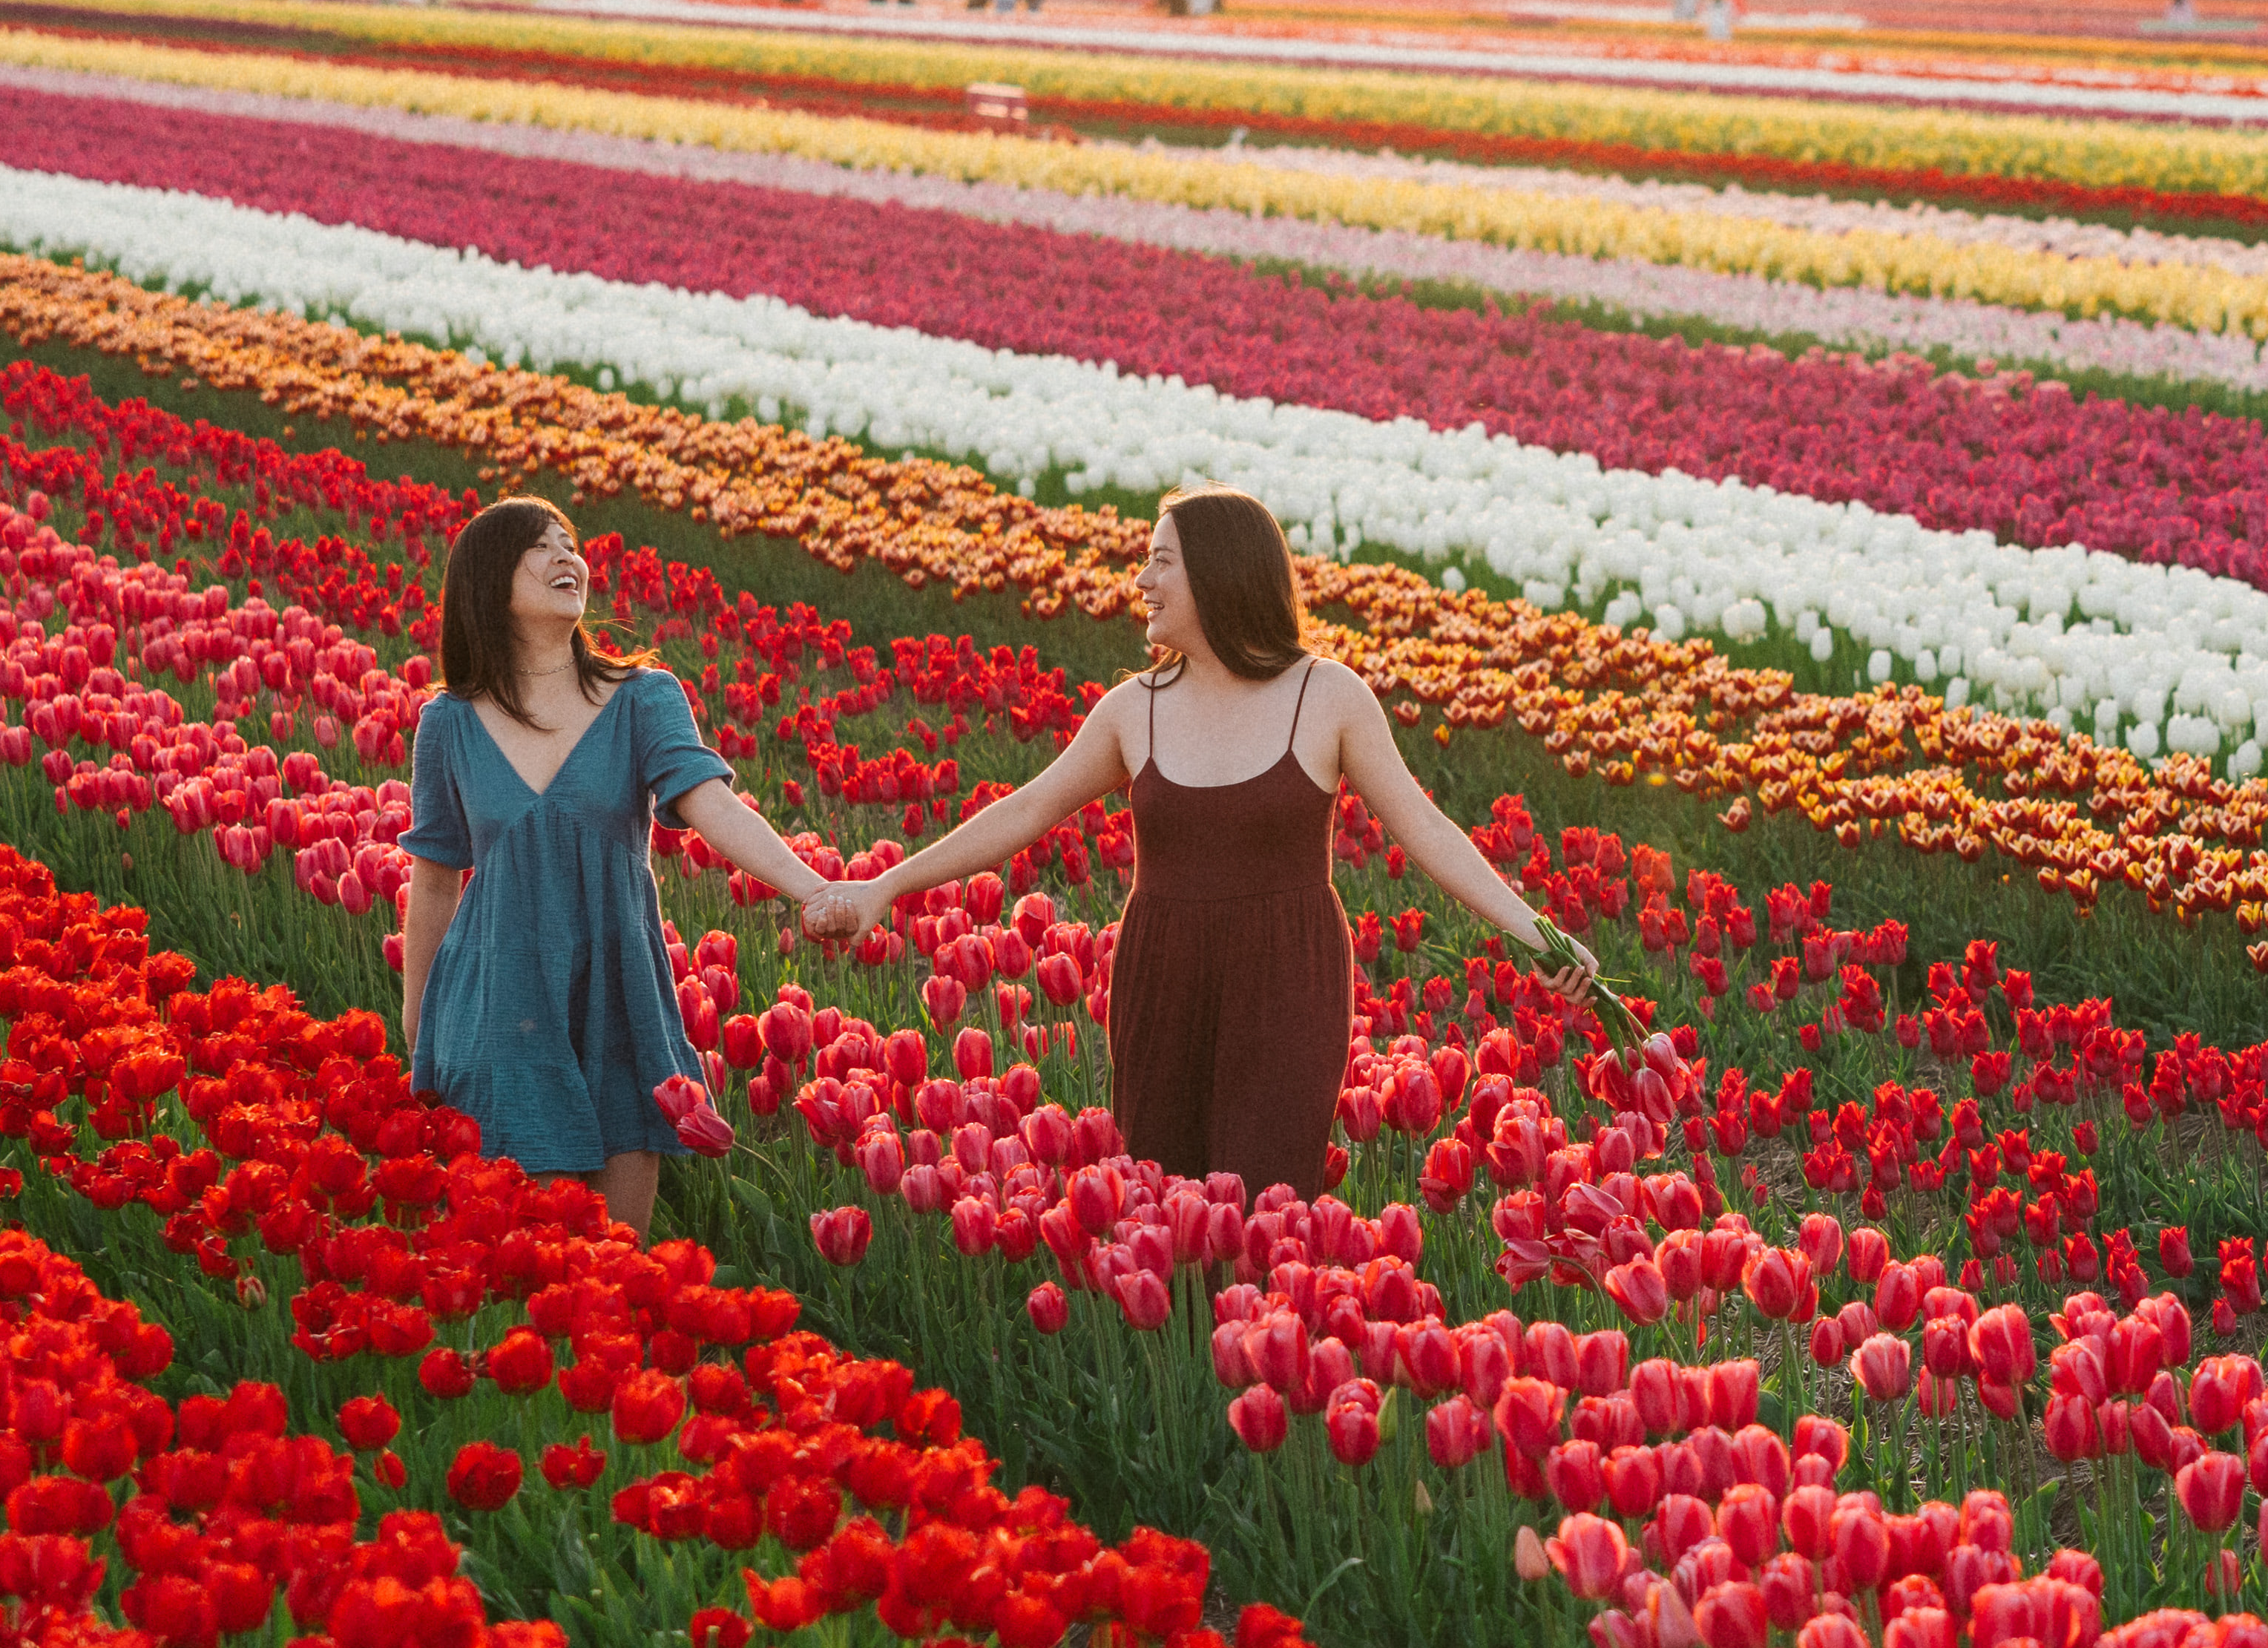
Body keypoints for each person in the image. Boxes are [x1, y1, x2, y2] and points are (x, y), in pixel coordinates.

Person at [809, 488, 1596, 1198]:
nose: (1140, 581)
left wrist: (1536, 933)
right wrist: (885, 887)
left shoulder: (1326, 696)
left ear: (1221, 572)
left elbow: (1424, 828)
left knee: (1262, 1206)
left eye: (1161, 561)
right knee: (1163, 1204)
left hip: (1286, 978)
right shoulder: (1134, 709)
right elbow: (1027, 809)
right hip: (1163, 974)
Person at [396, 498, 847, 1237]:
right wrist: (421, 1028)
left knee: (616, 1261)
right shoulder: (448, 722)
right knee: (531, 1257)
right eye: (539, 546)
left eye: (568, 543)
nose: (565, 557)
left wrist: (814, 888)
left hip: (616, 997)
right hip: (502, 1004)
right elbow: (435, 880)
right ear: (487, 580)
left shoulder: (643, 698)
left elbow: (713, 805)